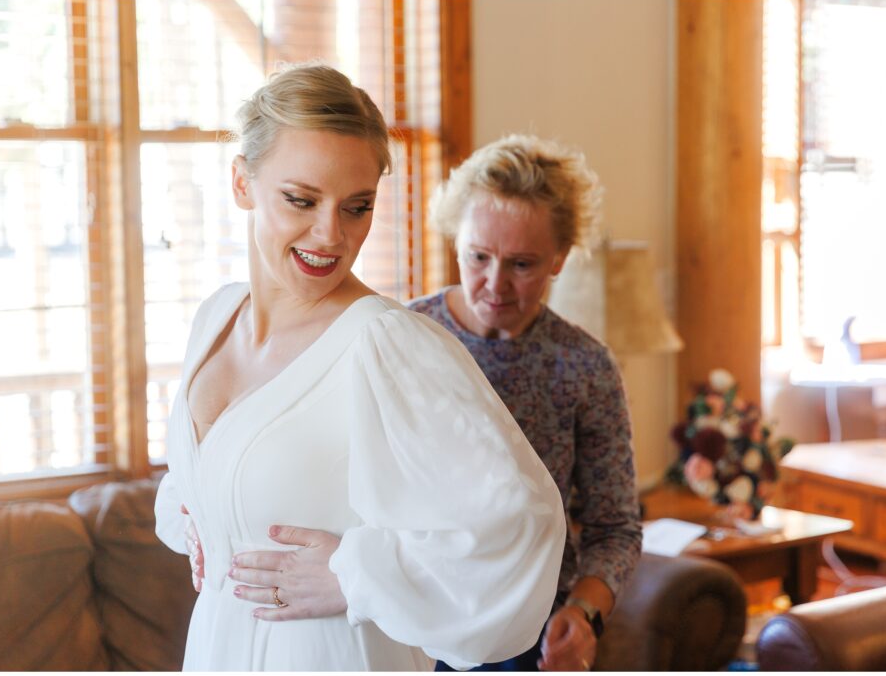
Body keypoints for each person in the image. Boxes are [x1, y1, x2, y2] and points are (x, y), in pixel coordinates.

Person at [153, 65, 566, 672]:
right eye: (301, 199)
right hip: (218, 647)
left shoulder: (386, 345)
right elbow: (204, 484)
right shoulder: (215, 319)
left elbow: (519, 524)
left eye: (357, 206)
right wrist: (199, 519)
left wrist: (356, 575)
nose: (330, 234)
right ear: (242, 182)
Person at [206, 134, 642, 671]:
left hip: (529, 627)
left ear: (560, 259)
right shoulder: (397, 338)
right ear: (455, 240)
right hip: (397, 613)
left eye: (522, 264)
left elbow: (615, 524)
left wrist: (585, 612)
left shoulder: (585, 366)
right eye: (478, 256)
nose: (494, 283)